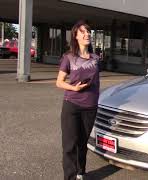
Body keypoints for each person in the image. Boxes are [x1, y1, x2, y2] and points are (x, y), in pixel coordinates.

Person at [56, 20, 100, 180]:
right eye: (83, 32)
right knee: (69, 144)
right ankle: (70, 177)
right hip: (72, 105)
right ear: (75, 36)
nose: (87, 34)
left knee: (83, 143)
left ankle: (80, 172)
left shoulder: (96, 58)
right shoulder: (68, 57)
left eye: (88, 31)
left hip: (91, 106)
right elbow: (59, 82)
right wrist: (74, 88)